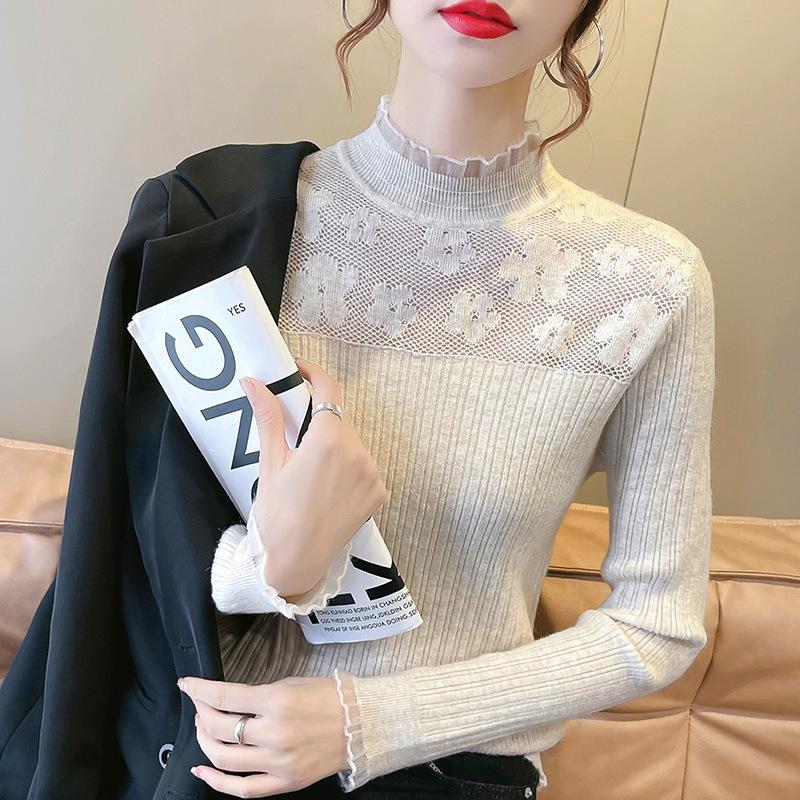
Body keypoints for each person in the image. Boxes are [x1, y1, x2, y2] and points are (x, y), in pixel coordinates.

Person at [176, 1, 717, 798]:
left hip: (453, 775)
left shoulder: (649, 284)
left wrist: (372, 719)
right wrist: (271, 566)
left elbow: (658, 623)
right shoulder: (221, 225)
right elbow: (134, 547)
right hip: (213, 757)